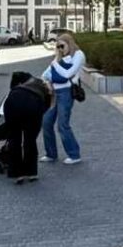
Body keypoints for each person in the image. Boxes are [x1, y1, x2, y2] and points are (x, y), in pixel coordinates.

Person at [0, 70, 52, 184]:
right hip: (34, 107)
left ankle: (17, 174)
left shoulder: (16, 88)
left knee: (14, 140)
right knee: (30, 141)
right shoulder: (42, 85)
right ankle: (32, 173)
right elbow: (45, 106)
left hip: (13, 104)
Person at [41, 33, 85, 164]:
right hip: (54, 93)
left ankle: (74, 155)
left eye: (62, 46)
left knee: (62, 125)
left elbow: (67, 74)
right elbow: (45, 75)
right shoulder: (59, 57)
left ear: (69, 43)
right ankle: (51, 154)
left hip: (66, 93)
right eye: (58, 46)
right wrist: (48, 81)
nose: (60, 49)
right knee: (46, 122)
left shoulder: (78, 55)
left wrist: (55, 63)